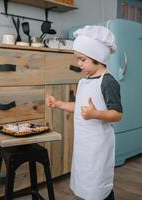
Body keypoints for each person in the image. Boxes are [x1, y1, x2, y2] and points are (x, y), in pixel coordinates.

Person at [46, 26, 123, 200]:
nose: (79, 63)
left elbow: (117, 114)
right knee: (86, 183)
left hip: (98, 146)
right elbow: (81, 108)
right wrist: (58, 103)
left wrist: (96, 114)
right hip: (84, 145)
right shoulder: (84, 81)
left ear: (97, 58)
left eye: (82, 59)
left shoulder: (108, 82)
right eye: (78, 59)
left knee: (99, 185)